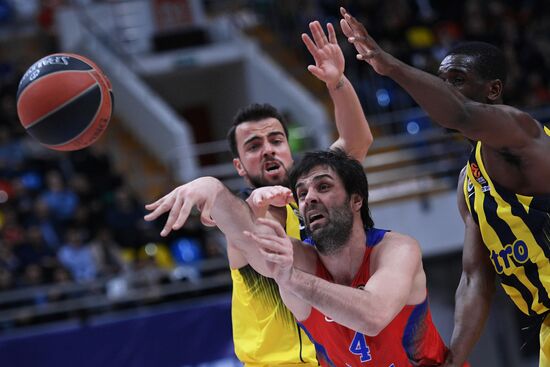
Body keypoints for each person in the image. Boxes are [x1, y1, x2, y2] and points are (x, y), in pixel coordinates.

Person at [149, 20, 373, 366]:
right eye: (254, 146)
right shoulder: (241, 213)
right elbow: (251, 239)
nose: (268, 149)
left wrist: (338, 82)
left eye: (275, 140)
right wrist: (209, 187)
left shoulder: (317, 195)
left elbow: (357, 143)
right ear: (239, 166)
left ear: (289, 148)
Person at [339, 7, 550, 366]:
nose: (444, 90)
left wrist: (390, 66)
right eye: (441, 80)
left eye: (456, 80)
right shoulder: (469, 183)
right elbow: (474, 278)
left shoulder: (523, 131)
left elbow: (460, 113)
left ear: (493, 90)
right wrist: (454, 358)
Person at [144, 150, 454, 366]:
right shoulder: (298, 257)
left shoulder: (397, 249)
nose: (310, 198)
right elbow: (247, 236)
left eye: (323, 187)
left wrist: (292, 278)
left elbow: (372, 316)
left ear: (356, 200)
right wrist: (211, 188)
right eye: (302, 193)